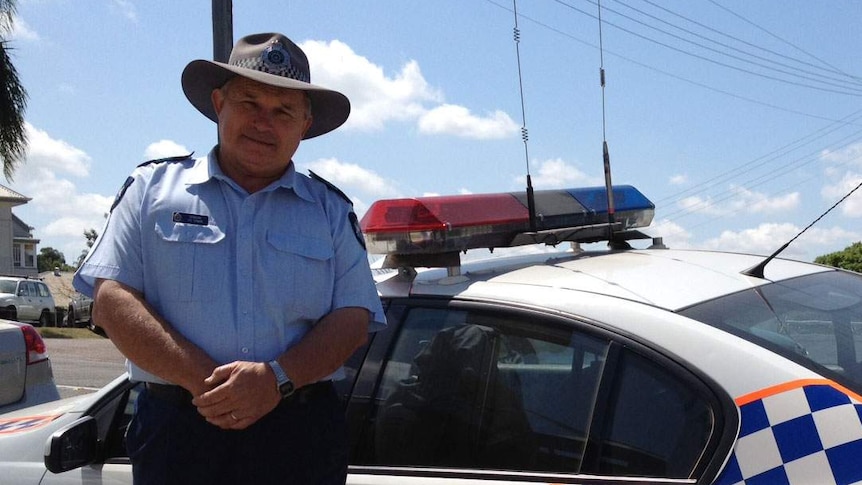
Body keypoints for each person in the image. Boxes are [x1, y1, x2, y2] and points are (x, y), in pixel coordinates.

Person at [73, 32, 386, 485]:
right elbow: (112, 301)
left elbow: (354, 318)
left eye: (283, 111)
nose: (264, 122)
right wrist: (210, 386)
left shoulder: (330, 211)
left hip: (298, 437)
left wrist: (276, 379)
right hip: (179, 434)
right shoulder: (150, 191)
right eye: (250, 103)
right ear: (219, 103)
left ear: (305, 124)